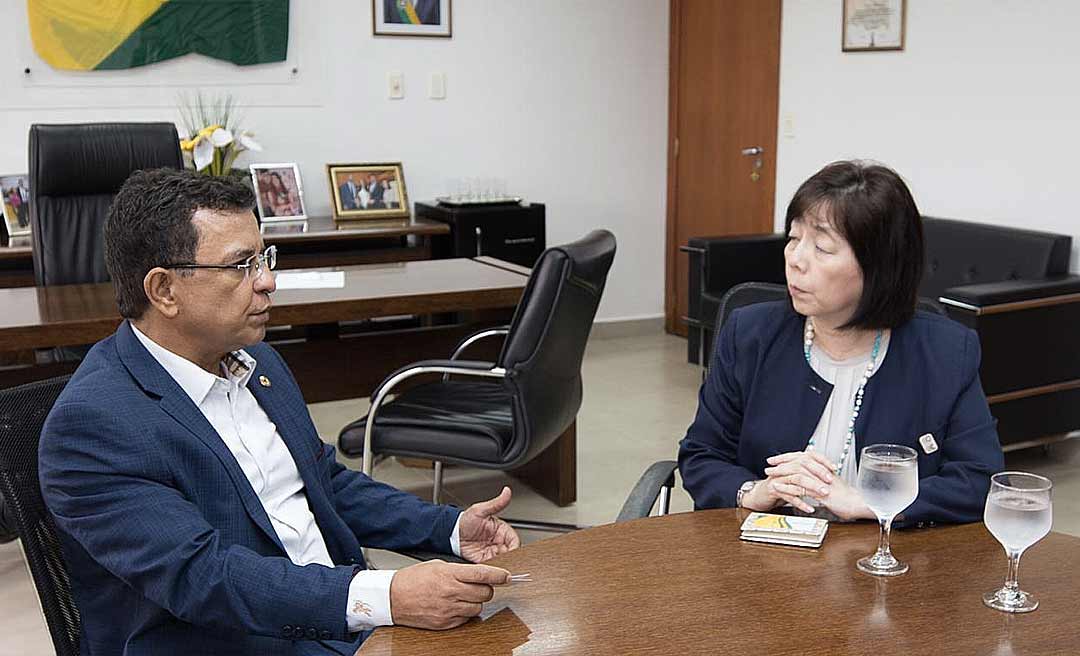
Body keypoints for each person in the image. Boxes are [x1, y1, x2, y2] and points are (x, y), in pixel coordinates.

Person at [39, 169, 521, 655]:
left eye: (264, 259)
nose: (268, 281)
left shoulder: (258, 361)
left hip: (341, 619)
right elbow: (204, 576)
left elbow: (324, 483)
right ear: (164, 290)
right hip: (237, 641)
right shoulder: (92, 426)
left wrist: (449, 529)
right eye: (240, 266)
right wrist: (387, 596)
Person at [678, 160, 1004, 526]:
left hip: (887, 553)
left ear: (879, 266)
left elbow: (978, 479)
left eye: (822, 247)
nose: (795, 260)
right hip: (762, 548)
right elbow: (701, 454)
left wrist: (867, 502)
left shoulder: (945, 352)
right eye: (793, 239)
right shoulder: (750, 333)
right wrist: (755, 492)